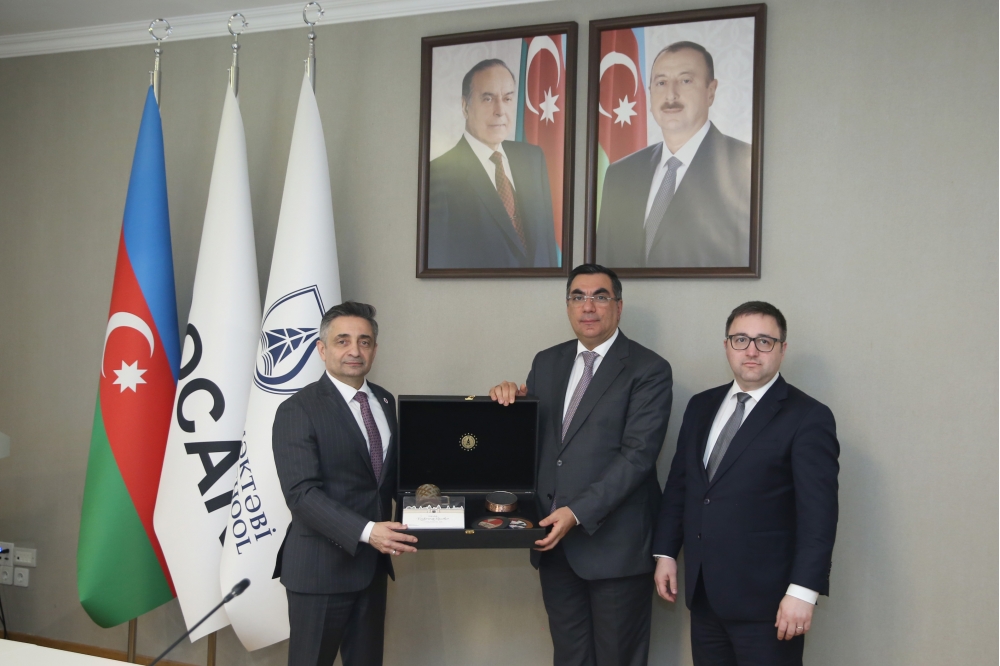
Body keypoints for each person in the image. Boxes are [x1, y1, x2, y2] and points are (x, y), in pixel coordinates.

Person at [490, 264, 672, 666]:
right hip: (555, 545)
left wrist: (575, 513)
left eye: (600, 296)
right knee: (569, 657)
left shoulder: (649, 369)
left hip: (616, 548)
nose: (588, 306)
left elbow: (638, 457)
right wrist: (508, 405)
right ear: (568, 306)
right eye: (578, 297)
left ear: (618, 306)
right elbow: (534, 444)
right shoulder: (547, 362)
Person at [653, 301, 839, 666]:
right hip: (704, 596)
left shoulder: (808, 417)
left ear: (782, 349)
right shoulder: (701, 406)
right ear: (727, 346)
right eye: (741, 339)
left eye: (764, 341)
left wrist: (803, 592)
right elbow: (680, 486)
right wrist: (666, 553)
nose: (751, 350)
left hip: (771, 606)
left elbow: (819, 516)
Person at [272, 302, 417, 666]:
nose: (355, 350)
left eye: (364, 341)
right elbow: (301, 494)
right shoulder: (298, 409)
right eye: (343, 341)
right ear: (322, 349)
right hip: (319, 572)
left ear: (374, 350)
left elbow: (391, 479)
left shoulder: (385, 401)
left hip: (372, 571)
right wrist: (368, 532)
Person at [596, 41, 751, 268]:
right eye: (661, 83)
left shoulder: (747, 167)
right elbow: (603, 269)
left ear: (711, 91)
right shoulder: (620, 174)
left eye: (685, 81)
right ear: (650, 93)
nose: (671, 95)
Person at [428, 58, 559, 269]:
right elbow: (439, 265)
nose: (500, 110)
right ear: (465, 106)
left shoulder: (533, 159)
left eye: (507, 99)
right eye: (488, 99)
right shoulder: (437, 175)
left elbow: (548, 249)